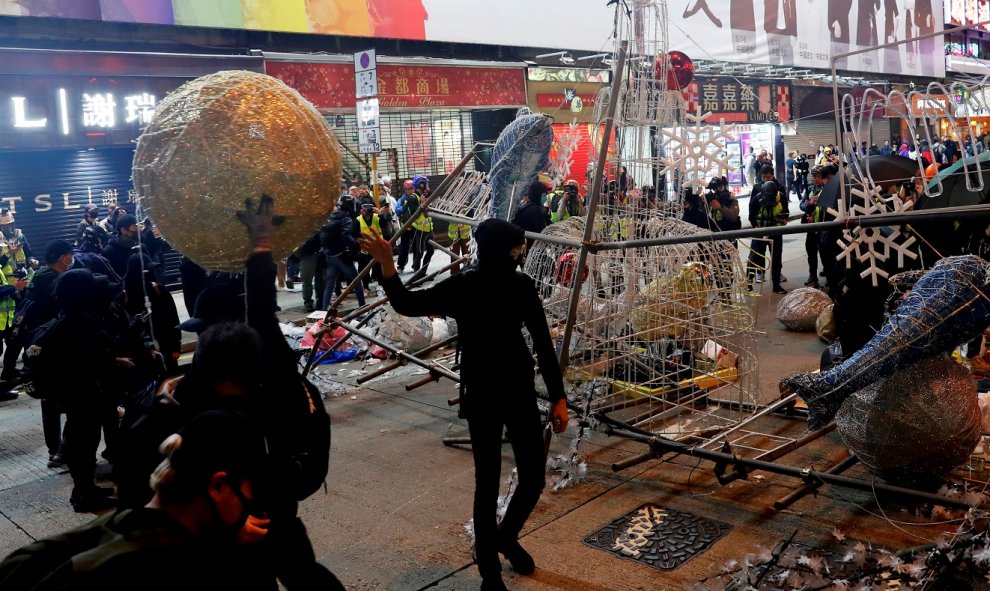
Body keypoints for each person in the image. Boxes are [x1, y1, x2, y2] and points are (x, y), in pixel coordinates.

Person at [359, 219, 569, 591]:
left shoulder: (521, 286)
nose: (522, 252)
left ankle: (506, 536)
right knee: (486, 484)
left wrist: (558, 396)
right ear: (508, 249)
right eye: (519, 246)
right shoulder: (465, 285)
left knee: (533, 476)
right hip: (484, 393)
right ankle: (489, 571)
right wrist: (387, 266)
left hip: (519, 390)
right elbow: (408, 304)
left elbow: (542, 341)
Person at [0, 410, 277, 591]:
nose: (250, 505)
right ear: (218, 486)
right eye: (250, 491)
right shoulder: (164, 572)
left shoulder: (95, 537)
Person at [747, 165, 789, 294]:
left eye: (768, 177)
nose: (766, 179)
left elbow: (785, 212)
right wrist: (756, 228)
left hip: (775, 231)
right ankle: (749, 282)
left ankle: (776, 284)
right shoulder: (757, 193)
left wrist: (782, 220)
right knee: (754, 257)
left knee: (776, 258)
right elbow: (751, 213)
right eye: (764, 177)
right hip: (760, 231)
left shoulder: (780, 193)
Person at [320, 194, 365, 310]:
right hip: (341, 256)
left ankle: (324, 312)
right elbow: (346, 237)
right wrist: (356, 244)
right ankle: (363, 309)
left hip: (329, 255)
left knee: (330, 285)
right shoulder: (346, 219)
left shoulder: (331, 215)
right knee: (357, 282)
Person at [800, 166, 827, 288]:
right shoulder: (810, 189)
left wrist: (820, 200)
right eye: (815, 176)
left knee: (825, 253)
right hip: (811, 227)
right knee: (811, 253)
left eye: (819, 176)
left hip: (823, 228)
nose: (817, 179)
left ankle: (829, 274)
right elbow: (802, 204)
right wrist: (806, 205)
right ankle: (813, 276)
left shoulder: (827, 189)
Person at [512, 180, 550, 251]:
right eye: (544, 194)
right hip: (528, 247)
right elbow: (540, 230)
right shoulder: (535, 210)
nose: (545, 197)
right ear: (538, 194)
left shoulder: (530, 206)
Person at [103, 214, 140, 279]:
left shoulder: (139, 246)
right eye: (135, 227)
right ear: (123, 230)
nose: (138, 231)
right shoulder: (109, 251)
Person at [395, 179, 419, 272]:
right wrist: (405, 205)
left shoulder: (417, 197)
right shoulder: (401, 199)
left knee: (416, 247)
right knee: (404, 248)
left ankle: (416, 266)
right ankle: (400, 266)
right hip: (405, 227)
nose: (410, 191)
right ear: (405, 190)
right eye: (407, 189)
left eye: (411, 189)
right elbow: (398, 211)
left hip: (416, 227)